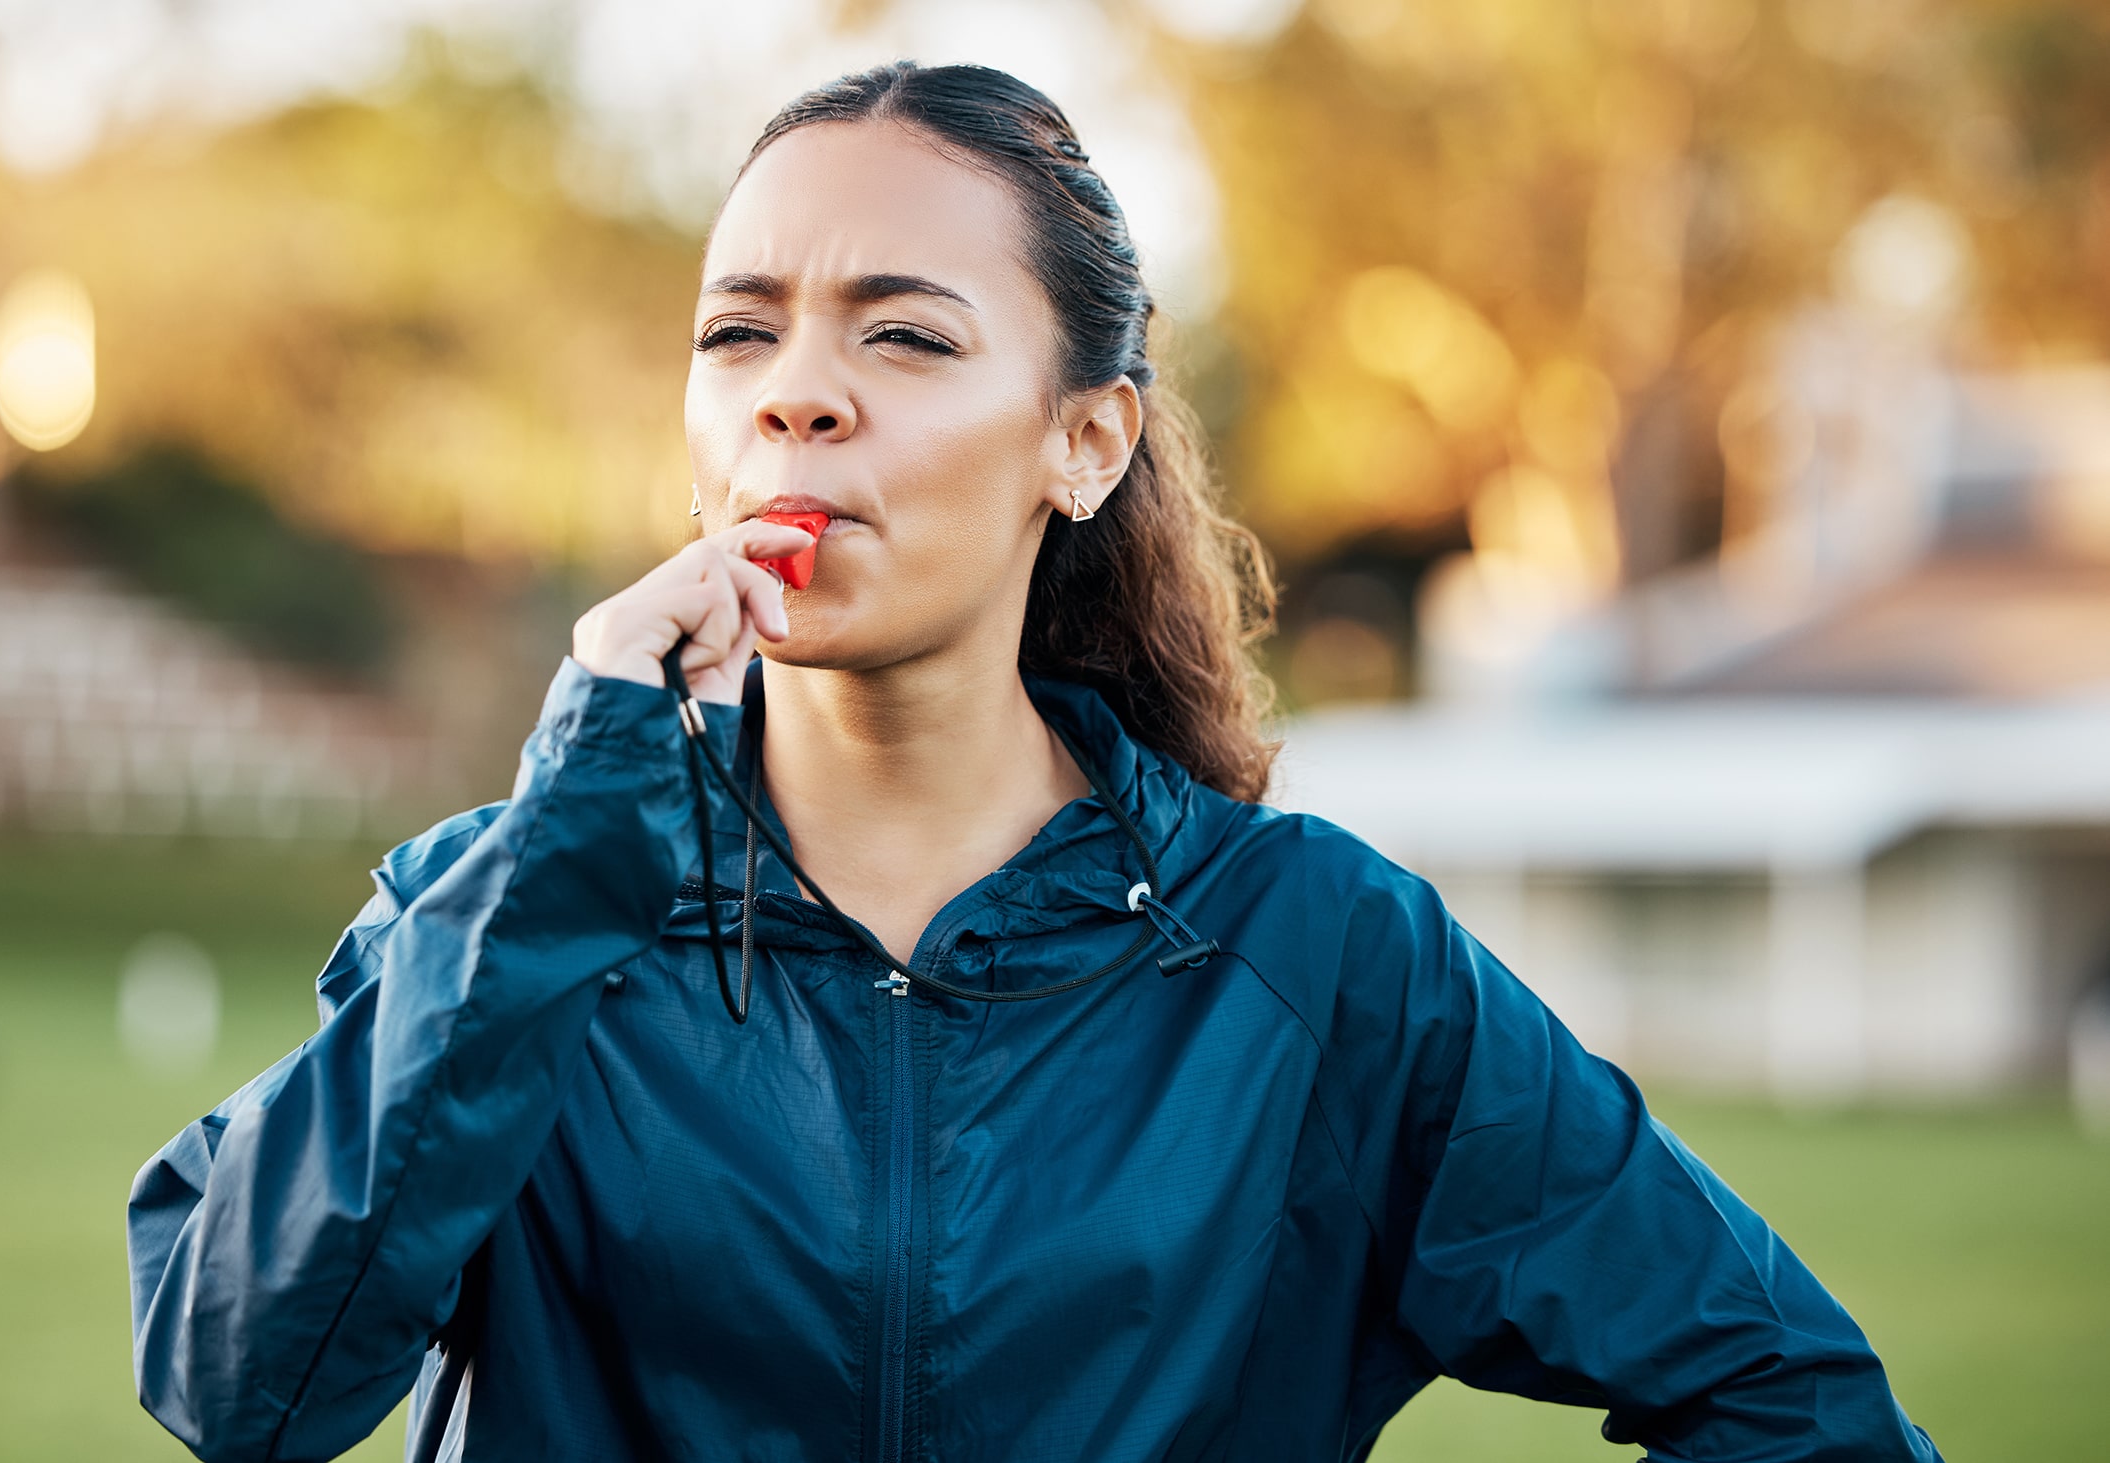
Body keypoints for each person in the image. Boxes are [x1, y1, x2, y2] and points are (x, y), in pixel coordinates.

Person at [127, 61, 1941, 1463]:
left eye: (903, 335)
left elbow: (1796, 1400)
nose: (796, 393)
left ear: (1084, 442)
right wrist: (565, 849)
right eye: (740, 332)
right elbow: (240, 1385)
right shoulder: (511, 911)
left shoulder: (1312, 954)